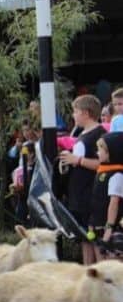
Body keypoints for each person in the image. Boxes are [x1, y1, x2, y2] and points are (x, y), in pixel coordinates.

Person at [58, 94, 106, 265]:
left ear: (86, 113)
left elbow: (102, 164)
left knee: (95, 238)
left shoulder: (100, 135)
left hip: (91, 195)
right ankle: (87, 271)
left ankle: (101, 271)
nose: (73, 115)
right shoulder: (82, 133)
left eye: (75, 111)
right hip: (78, 195)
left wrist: (77, 160)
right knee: (84, 237)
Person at [91, 132, 123, 261]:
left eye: (100, 149)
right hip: (99, 225)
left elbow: (114, 203)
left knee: (113, 264)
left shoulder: (117, 175)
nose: (97, 152)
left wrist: (109, 228)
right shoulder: (103, 171)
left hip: (111, 228)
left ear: (112, 152)